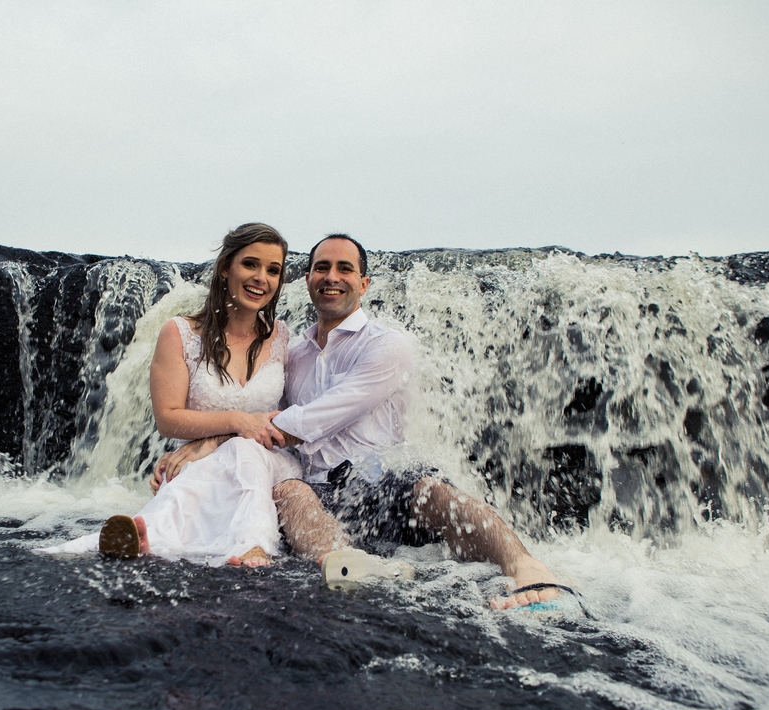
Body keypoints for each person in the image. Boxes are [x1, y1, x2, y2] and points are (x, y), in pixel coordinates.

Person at [155, 234, 573, 610]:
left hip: (379, 478)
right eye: (321, 267)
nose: (331, 277)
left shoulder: (386, 346)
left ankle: (525, 566)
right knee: (288, 492)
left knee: (431, 491)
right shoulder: (292, 351)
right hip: (316, 486)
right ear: (307, 280)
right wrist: (208, 443)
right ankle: (347, 564)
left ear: (364, 283)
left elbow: (316, 416)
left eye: (344, 268)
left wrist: (222, 433)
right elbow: (259, 420)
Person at [45, 222, 300, 566]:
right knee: (190, 477)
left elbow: (295, 417)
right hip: (201, 463)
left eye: (273, 270)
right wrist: (236, 424)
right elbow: (168, 418)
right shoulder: (179, 332)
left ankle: (254, 543)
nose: (262, 278)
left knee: (243, 450)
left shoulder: (283, 338)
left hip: (269, 463)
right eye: (250, 264)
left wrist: (223, 435)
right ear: (226, 267)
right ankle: (146, 537)